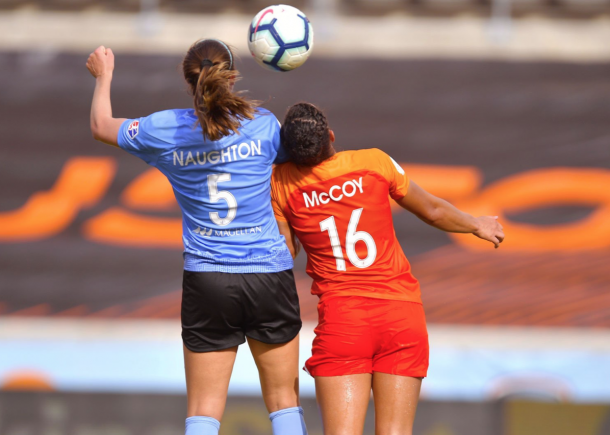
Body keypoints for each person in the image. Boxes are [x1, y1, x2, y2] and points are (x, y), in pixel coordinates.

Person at [86, 40, 308, 435]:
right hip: (268, 275)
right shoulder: (264, 124)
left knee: (204, 409)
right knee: (284, 402)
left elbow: (102, 127)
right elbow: (292, 173)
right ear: (233, 75)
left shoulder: (163, 128)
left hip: (208, 277)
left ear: (188, 78)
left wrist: (104, 77)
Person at [270, 102, 505, 435]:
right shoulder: (374, 162)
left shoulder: (280, 182)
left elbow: (286, 251)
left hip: (344, 321)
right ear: (331, 137)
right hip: (400, 316)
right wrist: (475, 224)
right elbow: (434, 211)